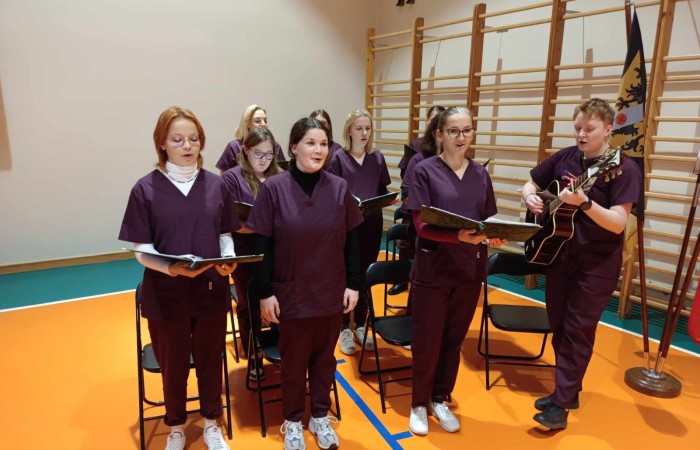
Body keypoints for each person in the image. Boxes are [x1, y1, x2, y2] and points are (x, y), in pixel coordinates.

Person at [119, 106, 238, 450]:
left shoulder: (216, 185)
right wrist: (170, 268)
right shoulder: (145, 189)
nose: (187, 146)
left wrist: (228, 259)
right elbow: (141, 249)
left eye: (194, 139)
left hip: (210, 290)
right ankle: (175, 427)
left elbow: (225, 234)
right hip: (166, 294)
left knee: (210, 360)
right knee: (173, 365)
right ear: (161, 143)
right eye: (177, 139)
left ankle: (212, 422)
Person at [522, 98, 641, 430]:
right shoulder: (566, 157)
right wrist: (529, 196)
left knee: (578, 331)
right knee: (559, 326)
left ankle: (560, 405)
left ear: (608, 129)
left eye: (589, 129)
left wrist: (585, 203)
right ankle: (568, 390)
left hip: (596, 265)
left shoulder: (624, 169)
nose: (581, 135)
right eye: (577, 128)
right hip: (559, 255)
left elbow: (618, 222)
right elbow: (532, 181)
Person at [246, 117, 363, 450]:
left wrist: (353, 284)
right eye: (311, 143)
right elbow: (262, 243)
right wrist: (265, 292)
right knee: (294, 362)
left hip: (330, 290)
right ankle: (294, 420)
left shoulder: (339, 187)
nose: (318, 150)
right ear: (294, 147)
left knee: (325, 360)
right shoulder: (274, 188)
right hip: (292, 291)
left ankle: (320, 415)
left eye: (324, 144)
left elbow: (352, 240)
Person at [405, 106, 506, 436]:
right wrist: (456, 236)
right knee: (427, 341)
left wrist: (496, 235)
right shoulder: (424, 171)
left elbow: (487, 218)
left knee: (453, 341)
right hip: (433, 270)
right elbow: (420, 225)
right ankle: (418, 403)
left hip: (469, 270)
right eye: (453, 131)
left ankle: (439, 397)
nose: (461, 137)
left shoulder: (480, 174)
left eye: (467, 130)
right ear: (439, 134)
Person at [327, 109, 392, 356]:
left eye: (368, 128)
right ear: (349, 131)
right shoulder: (338, 158)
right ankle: (344, 327)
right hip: (347, 226)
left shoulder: (377, 157)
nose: (364, 133)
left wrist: (389, 199)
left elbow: (382, 188)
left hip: (372, 223)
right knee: (348, 275)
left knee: (366, 275)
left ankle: (361, 324)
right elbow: (331, 194)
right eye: (359, 128)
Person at [221, 127, 283, 379]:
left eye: (269, 154)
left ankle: (279, 347)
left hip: (276, 252)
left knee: (279, 300)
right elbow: (231, 222)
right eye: (258, 153)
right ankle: (253, 354)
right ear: (245, 150)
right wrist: (264, 226)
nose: (264, 160)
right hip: (245, 252)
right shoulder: (231, 178)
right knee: (249, 304)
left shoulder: (280, 177)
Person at [390, 105, 446, 296]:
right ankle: (402, 280)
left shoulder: (453, 156)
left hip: (442, 219)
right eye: (433, 121)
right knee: (408, 246)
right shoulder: (417, 149)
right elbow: (406, 183)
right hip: (416, 210)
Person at [216, 104, 287, 173]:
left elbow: (282, 175)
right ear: (247, 124)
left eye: (265, 120)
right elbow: (223, 177)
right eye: (257, 121)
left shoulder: (275, 146)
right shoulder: (234, 146)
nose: (263, 124)